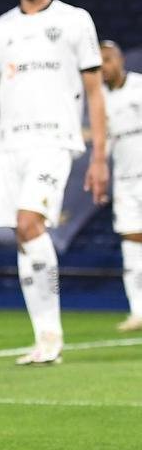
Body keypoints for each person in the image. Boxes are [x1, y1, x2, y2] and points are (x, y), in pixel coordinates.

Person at [0, 0, 108, 365]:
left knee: (29, 224)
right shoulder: (0, 29)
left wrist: (99, 155)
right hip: (11, 146)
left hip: (55, 140)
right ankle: (42, 338)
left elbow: (95, 94)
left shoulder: (76, 22)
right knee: (23, 239)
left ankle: (51, 336)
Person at [100, 40, 142, 332]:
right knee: (131, 245)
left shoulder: (139, 86)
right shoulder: (99, 99)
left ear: (121, 59)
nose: (105, 67)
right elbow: (103, 144)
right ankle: (138, 311)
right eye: (99, 61)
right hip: (125, 182)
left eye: (109, 59)